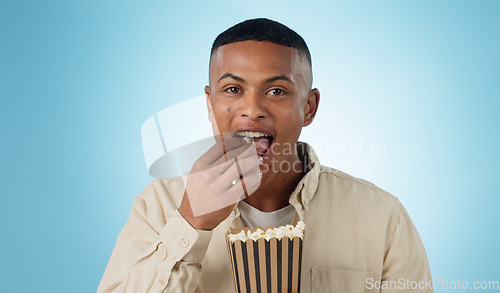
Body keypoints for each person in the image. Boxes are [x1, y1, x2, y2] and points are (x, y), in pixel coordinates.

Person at [98, 18, 432, 292]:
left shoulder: (383, 216)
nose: (253, 109)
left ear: (309, 107)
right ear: (210, 104)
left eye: (276, 91)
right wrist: (191, 222)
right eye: (233, 89)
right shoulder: (156, 207)